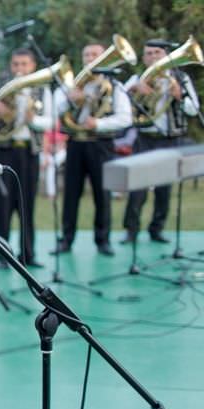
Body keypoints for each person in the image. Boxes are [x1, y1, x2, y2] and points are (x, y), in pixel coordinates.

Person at [52, 42, 133, 256]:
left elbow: (125, 118)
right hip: (76, 144)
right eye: (87, 54)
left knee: (102, 194)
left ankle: (103, 240)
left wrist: (98, 124)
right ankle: (66, 239)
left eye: (95, 54)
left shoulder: (115, 85)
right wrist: (71, 101)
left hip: (101, 144)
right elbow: (57, 111)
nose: (90, 58)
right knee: (71, 194)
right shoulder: (72, 84)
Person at [121, 41, 200, 244]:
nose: (154, 57)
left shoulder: (180, 78)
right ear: (144, 58)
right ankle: (131, 230)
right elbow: (120, 102)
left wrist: (179, 96)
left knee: (164, 187)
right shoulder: (138, 78)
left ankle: (157, 229)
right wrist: (133, 90)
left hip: (170, 138)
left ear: (166, 55)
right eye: (149, 53)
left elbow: (194, 109)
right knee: (137, 186)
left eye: (158, 52)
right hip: (145, 137)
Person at [0, 48, 49, 267]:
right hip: (4, 151)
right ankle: (2, 254)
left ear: (33, 67)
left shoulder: (41, 89)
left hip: (29, 153)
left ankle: (28, 254)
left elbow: (50, 122)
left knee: (27, 204)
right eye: (16, 64)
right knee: (2, 204)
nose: (20, 69)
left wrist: (33, 120)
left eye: (24, 64)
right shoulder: (0, 85)